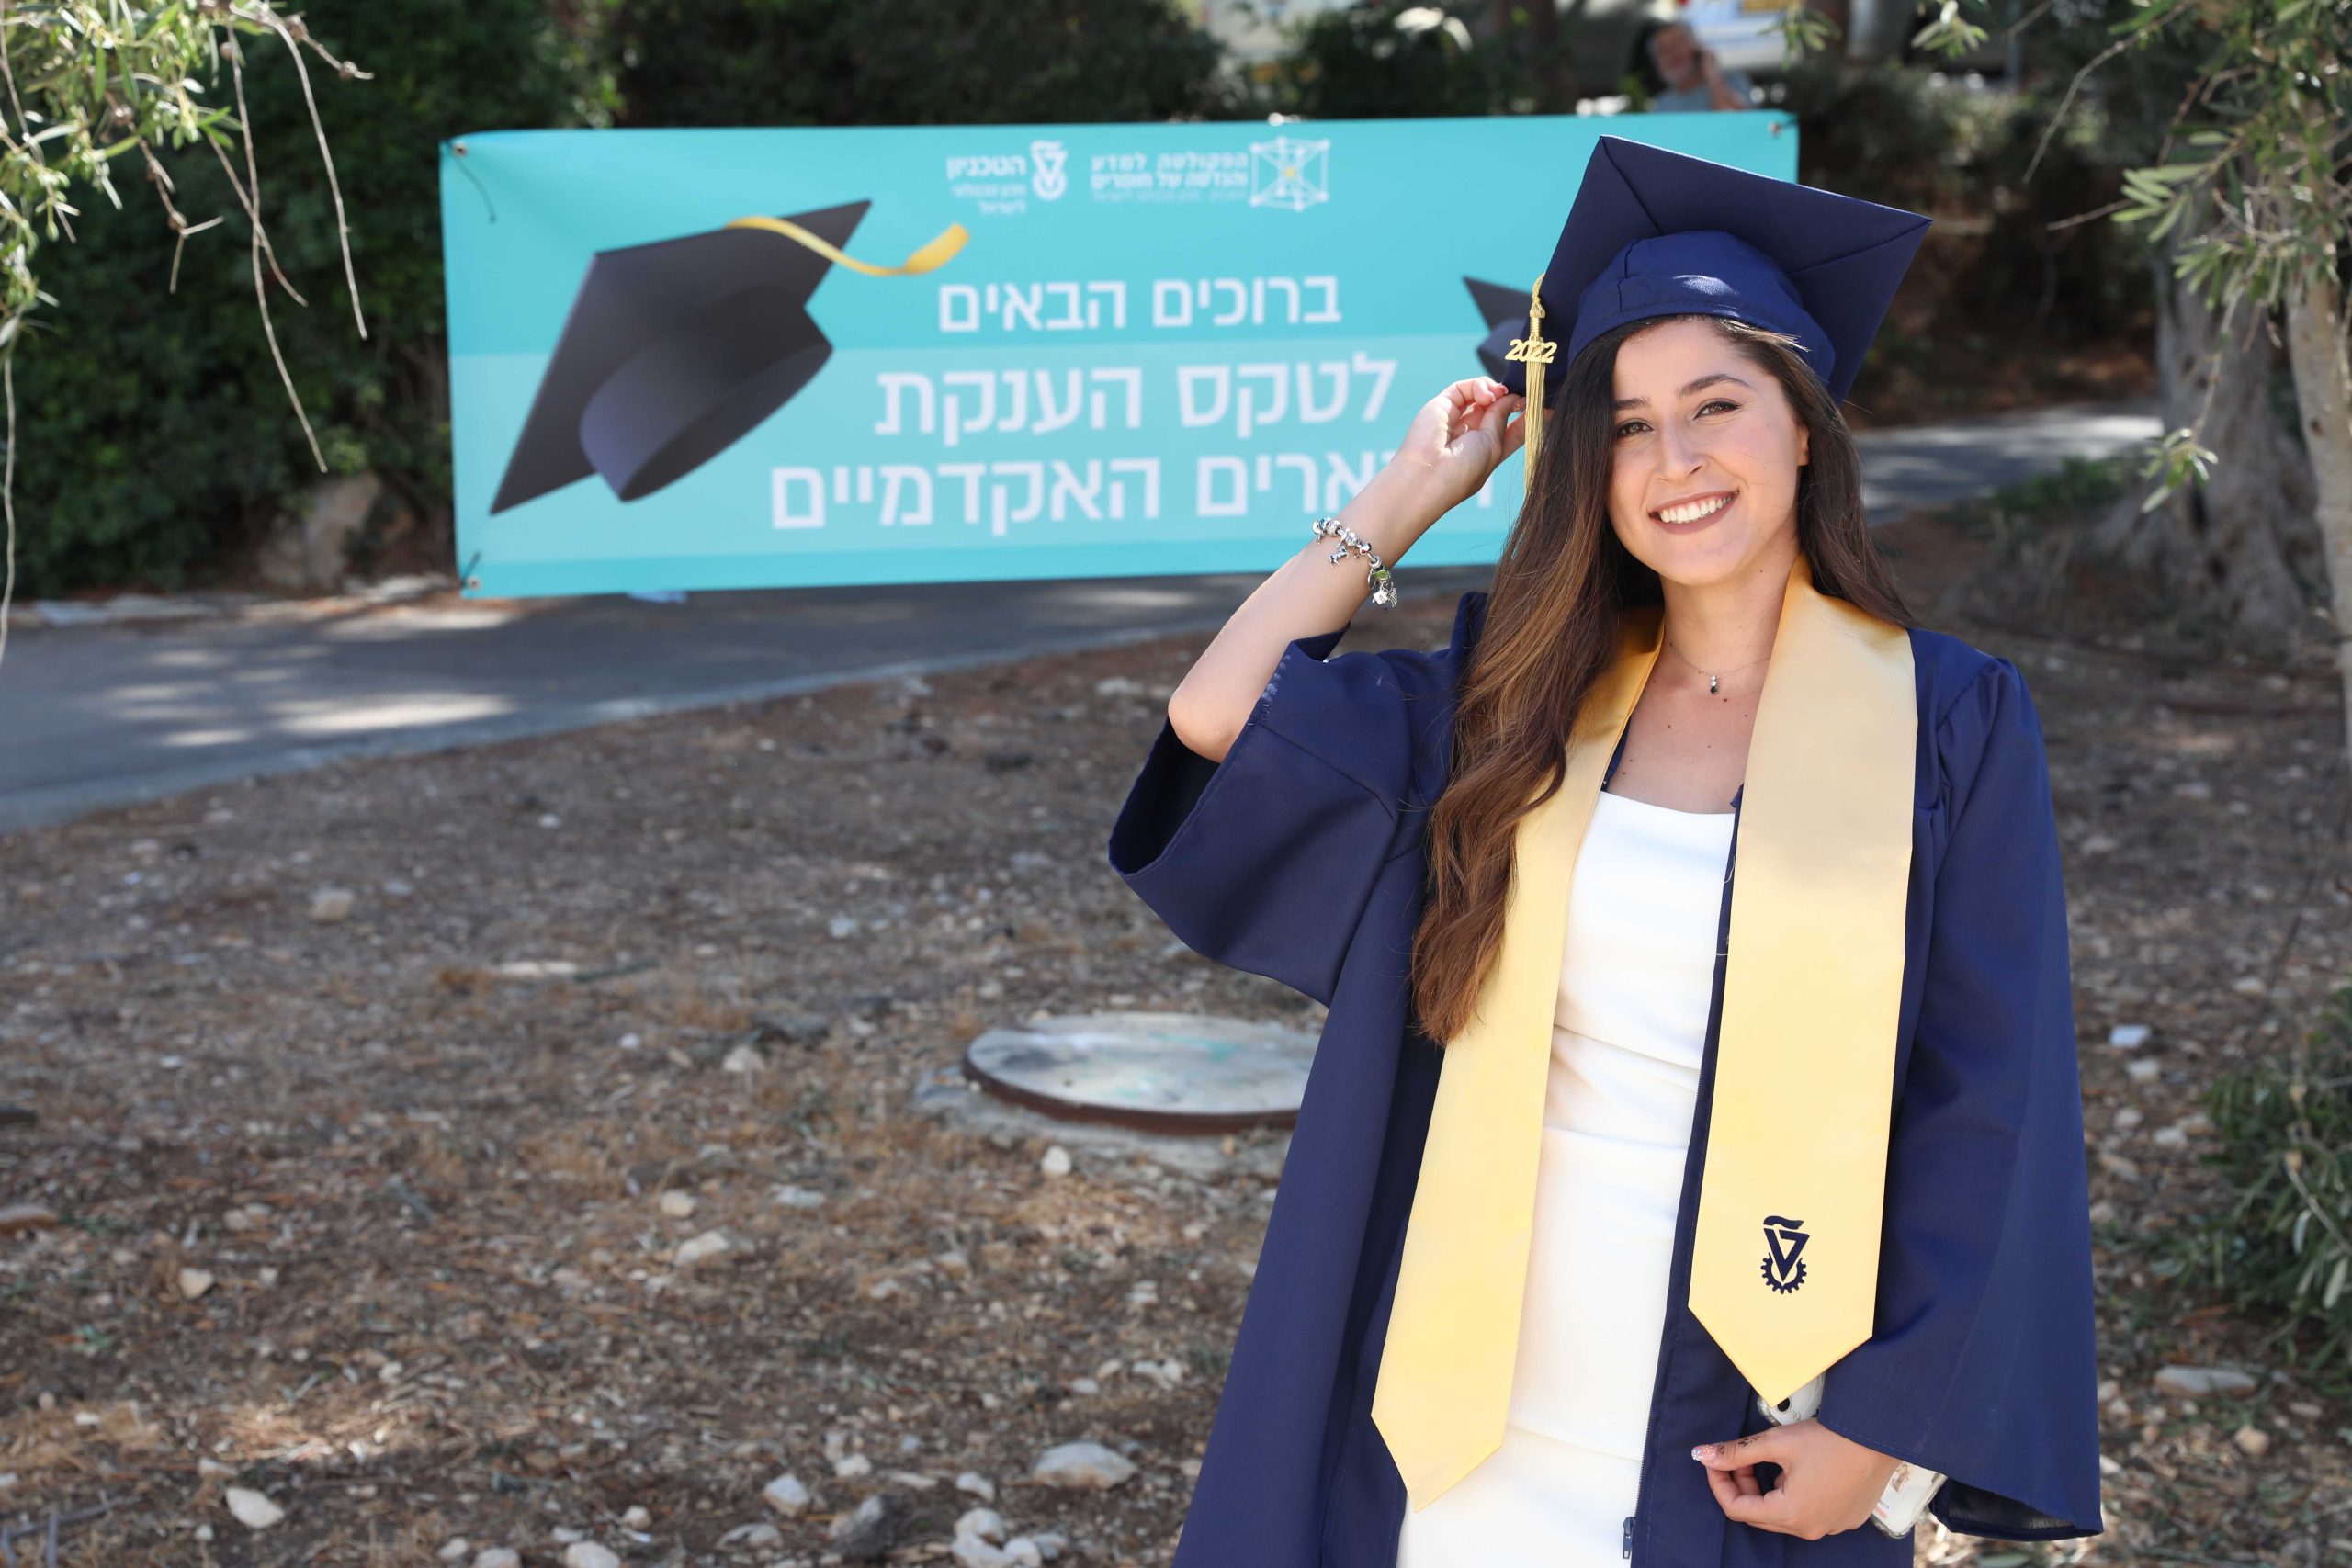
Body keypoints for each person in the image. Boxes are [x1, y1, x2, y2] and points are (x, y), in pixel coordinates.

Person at [1105, 135, 2104, 1566]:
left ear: (1806, 427)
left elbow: (1990, 1090)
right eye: (1628, 424)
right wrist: (1409, 492)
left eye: (1716, 406)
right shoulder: (1518, 697)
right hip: (1459, 1391)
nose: (1674, 461)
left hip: (1739, 1405)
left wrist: (1887, 1422)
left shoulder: (1945, 719)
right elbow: (1218, 715)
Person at [1645, 20, 1755, 113]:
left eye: (1677, 45)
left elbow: (1735, 120)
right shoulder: (1662, 106)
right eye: (1664, 50)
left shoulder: (1733, 82)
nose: (1672, 55)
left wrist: (1712, 74)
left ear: (1696, 47)